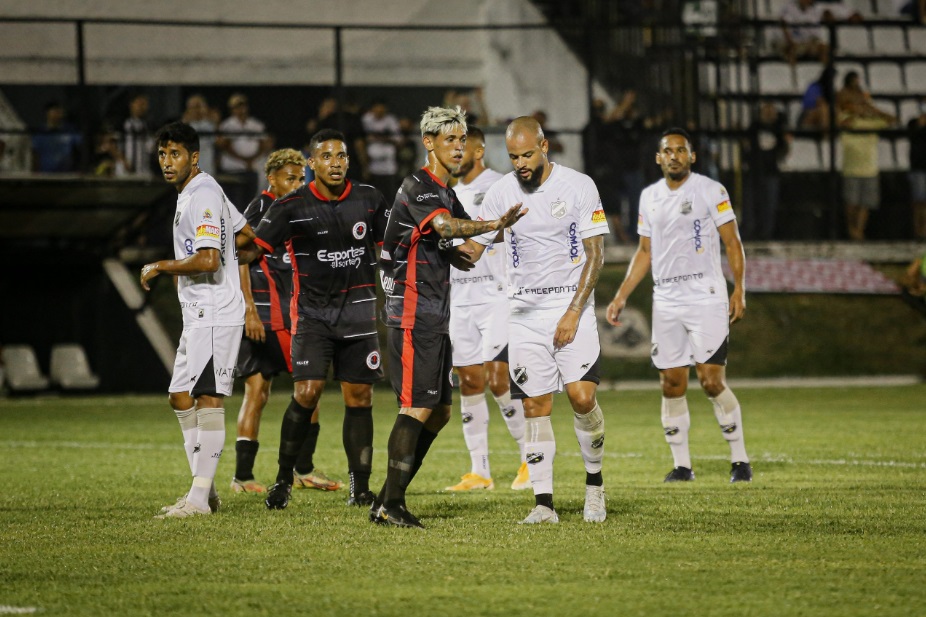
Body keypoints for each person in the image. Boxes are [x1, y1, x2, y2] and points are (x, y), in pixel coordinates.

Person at [371, 106, 527, 528]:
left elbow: (461, 252)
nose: (458, 147)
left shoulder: (444, 191)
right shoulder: (418, 186)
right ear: (429, 143)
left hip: (436, 312)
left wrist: (500, 230)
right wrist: (491, 223)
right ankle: (393, 504)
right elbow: (444, 228)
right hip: (411, 311)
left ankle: (385, 497)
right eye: (449, 140)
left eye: (462, 140)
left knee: (438, 409)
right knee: (416, 407)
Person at [239, 129, 390, 510]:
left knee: (360, 397)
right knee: (306, 394)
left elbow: (390, 248)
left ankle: (360, 487)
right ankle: (283, 480)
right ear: (312, 163)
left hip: (359, 317)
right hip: (312, 318)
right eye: (326, 156)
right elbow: (251, 252)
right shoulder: (291, 206)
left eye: (341, 156)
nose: (335, 163)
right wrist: (219, 247)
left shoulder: (369, 199)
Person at [471, 116, 611, 526]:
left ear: (545, 146)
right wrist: (433, 236)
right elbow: (472, 250)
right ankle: (544, 504)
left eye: (527, 154)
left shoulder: (579, 185)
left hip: (572, 309)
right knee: (534, 404)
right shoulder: (500, 194)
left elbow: (595, 254)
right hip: (524, 314)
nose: (520, 164)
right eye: (513, 157)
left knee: (582, 398)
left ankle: (595, 487)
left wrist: (572, 311)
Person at [606, 127, 752, 485]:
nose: (674, 156)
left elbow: (732, 242)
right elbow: (644, 252)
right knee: (672, 383)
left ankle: (740, 460)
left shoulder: (710, 190)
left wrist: (739, 289)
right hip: (667, 298)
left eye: (681, 150)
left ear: (692, 156)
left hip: (706, 295)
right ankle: (683, 466)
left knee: (710, 380)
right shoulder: (650, 197)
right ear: (658, 158)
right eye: (667, 151)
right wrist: (622, 294)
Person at [140, 121, 249, 518]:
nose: (167, 162)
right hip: (200, 312)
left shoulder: (202, 192)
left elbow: (208, 259)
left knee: (207, 397)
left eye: (175, 154)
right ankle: (205, 490)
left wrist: (159, 266)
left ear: (194, 156)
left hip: (215, 311)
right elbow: (246, 234)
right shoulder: (203, 189)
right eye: (162, 154)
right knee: (180, 396)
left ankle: (199, 499)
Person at [445, 126, 530, 493]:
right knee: (469, 382)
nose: (455, 154)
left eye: (461, 148)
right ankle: (479, 471)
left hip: (496, 294)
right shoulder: (444, 193)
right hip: (459, 297)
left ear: (477, 151)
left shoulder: (501, 185)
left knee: (499, 380)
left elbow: (518, 230)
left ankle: (530, 459)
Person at [230, 148, 307, 494]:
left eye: (301, 178)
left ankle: (242, 477)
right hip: (266, 313)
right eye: (290, 177)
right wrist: (249, 308)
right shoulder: (261, 208)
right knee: (308, 383)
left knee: (258, 391)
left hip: (278, 310)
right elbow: (240, 255)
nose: (297, 183)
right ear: (271, 178)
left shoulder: (291, 209)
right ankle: (302, 469)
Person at [837, 71, 895, 240]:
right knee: (851, 203)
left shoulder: (871, 120)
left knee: (865, 204)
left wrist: (870, 108)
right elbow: (839, 123)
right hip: (851, 168)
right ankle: (851, 231)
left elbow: (892, 120)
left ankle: (859, 233)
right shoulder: (845, 118)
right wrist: (854, 110)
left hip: (870, 168)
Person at [217, 93, 274, 208]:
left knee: (266, 175)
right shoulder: (227, 125)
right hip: (235, 163)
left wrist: (251, 160)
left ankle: (259, 206)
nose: (240, 109)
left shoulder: (255, 124)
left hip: (254, 162)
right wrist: (244, 160)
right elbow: (225, 146)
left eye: (242, 106)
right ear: (232, 109)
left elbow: (264, 144)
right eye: (237, 107)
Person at [745, 102, 792, 240]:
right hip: (754, 171)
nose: (768, 114)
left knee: (770, 206)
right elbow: (747, 145)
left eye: (771, 111)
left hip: (771, 172)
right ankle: (750, 233)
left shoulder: (778, 129)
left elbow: (784, 150)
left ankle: (767, 234)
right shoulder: (754, 127)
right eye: (766, 111)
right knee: (752, 205)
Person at [361, 99, 402, 199]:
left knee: (389, 197)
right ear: (372, 109)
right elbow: (361, 140)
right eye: (377, 109)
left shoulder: (391, 120)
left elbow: (399, 140)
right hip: (372, 166)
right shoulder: (366, 119)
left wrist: (382, 138)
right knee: (372, 198)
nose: (379, 111)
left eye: (382, 109)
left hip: (388, 167)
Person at [31, 101, 81, 173]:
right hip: (46, 175)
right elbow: (35, 155)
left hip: (66, 175)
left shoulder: (70, 130)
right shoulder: (40, 133)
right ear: (47, 113)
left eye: (60, 111)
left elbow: (81, 147)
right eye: (55, 111)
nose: (58, 114)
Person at [182, 94, 218, 175]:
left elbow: (219, 142)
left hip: (208, 167)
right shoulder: (185, 125)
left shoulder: (210, 124)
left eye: (199, 106)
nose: (197, 110)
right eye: (193, 107)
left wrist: (217, 123)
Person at [121, 93, 154, 177]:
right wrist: (123, 160)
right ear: (131, 104)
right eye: (140, 104)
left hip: (143, 171)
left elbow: (150, 147)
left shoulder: (147, 125)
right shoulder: (122, 123)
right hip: (125, 171)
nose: (142, 108)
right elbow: (110, 144)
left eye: (144, 105)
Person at [908, 102, 926, 240]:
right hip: (918, 169)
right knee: (918, 202)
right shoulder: (914, 123)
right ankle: (918, 231)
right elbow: (913, 135)